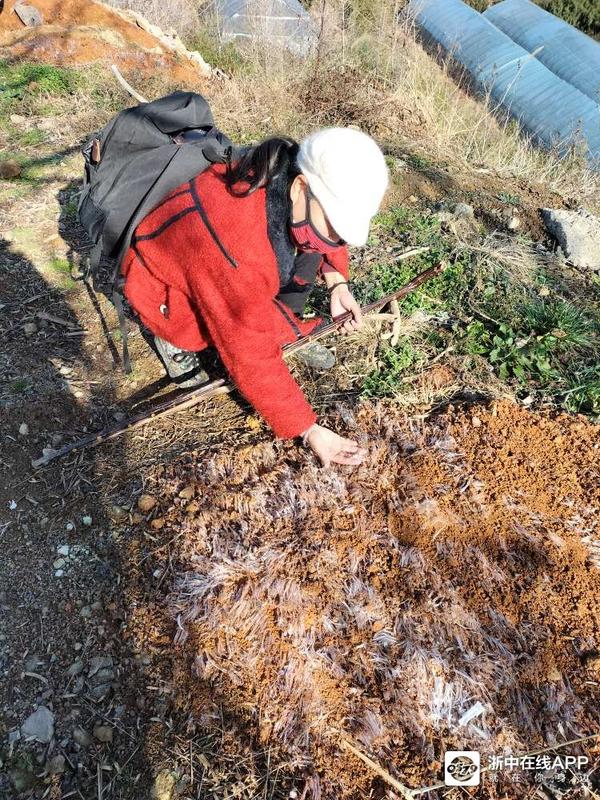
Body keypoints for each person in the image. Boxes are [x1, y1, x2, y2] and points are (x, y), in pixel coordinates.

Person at [120, 127, 389, 467]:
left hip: (222, 266)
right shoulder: (238, 251)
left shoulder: (284, 170)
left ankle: (281, 326)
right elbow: (248, 353)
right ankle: (171, 340)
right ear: (300, 187)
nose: (337, 240)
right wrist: (307, 428)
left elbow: (327, 234)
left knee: (309, 248)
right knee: (202, 328)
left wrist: (337, 282)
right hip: (161, 282)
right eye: (336, 226)